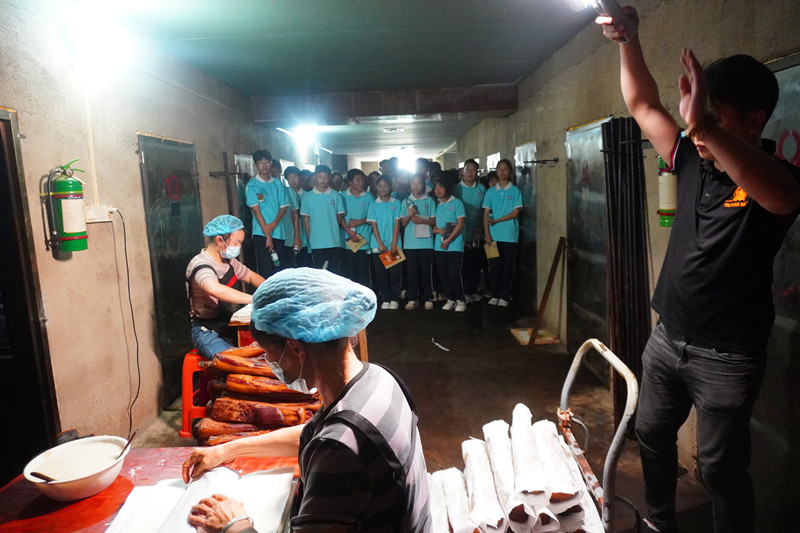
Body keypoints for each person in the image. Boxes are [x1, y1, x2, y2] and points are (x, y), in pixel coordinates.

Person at [601, 8, 800, 533]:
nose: (697, 131)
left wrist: (704, 125)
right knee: (651, 434)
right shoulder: (693, 157)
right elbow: (643, 104)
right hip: (668, 338)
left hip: (728, 356)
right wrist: (628, 38)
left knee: (720, 469)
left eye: (714, 118)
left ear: (755, 121)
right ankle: (659, 521)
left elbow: (782, 198)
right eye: (697, 119)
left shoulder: (774, 177)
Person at [183, 268, 430, 532]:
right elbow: (314, 433)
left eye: (268, 354)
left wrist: (234, 524)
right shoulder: (378, 378)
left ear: (295, 349)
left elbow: (334, 442)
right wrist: (227, 450)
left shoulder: (340, 448)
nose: (271, 363)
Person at [185, 215, 265, 359]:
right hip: (207, 331)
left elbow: (251, 276)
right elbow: (214, 289)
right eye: (236, 242)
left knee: (261, 352)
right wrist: (254, 299)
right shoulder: (201, 264)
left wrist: (270, 290)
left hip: (228, 326)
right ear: (219, 240)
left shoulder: (229, 262)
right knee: (234, 363)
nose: (238, 247)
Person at [482, 159, 522, 308]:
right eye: (499, 169)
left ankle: (505, 295)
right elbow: (486, 214)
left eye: (505, 169)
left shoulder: (515, 191)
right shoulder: (491, 192)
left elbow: (515, 213)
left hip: (510, 236)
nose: (502, 172)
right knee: (494, 267)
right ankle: (496, 293)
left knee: (507, 266)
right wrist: (487, 234)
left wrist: (497, 220)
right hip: (493, 236)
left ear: (510, 172)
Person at [246, 150, 289, 279]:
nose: (264, 165)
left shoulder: (277, 183)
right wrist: (268, 234)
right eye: (261, 162)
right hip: (261, 233)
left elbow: (283, 208)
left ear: (271, 163)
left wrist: (273, 224)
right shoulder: (252, 185)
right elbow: (256, 210)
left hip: (278, 232)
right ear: (256, 165)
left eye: (267, 162)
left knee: (280, 269)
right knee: (265, 270)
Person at [300, 165, 345, 274]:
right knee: (319, 272)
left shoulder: (336, 196)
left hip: (333, 241)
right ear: (315, 177)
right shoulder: (307, 197)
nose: (323, 180)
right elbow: (306, 220)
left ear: (329, 178)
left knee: (334, 272)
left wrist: (332, 229)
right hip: (316, 242)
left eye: (326, 177)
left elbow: (339, 216)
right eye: (320, 177)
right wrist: (310, 237)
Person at [400, 173, 436, 310]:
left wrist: (421, 221)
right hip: (410, 243)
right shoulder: (406, 201)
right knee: (411, 272)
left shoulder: (429, 200)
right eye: (413, 183)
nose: (416, 186)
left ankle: (427, 298)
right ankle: (412, 298)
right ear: (410, 184)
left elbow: (434, 220)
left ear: (424, 184)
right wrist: (410, 215)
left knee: (426, 271)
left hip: (426, 242)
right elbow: (403, 223)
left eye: (419, 183)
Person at [432, 175, 467, 312]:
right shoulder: (438, 205)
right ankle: (450, 299)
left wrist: (449, 240)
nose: (438, 190)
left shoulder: (457, 203)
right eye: (436, 187)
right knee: (443, 274)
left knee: (454, 273)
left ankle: (460, 300)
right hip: (439, 246)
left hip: (454, 245)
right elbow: (434, 227)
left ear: (447, 187)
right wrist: (437, 230)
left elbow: (460, 224)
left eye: (441, 186)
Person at [367, 176, 402, 309]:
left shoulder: (396, 203)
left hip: (393, 244)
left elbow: (397, 223)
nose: (383, 189)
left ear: (390, 187)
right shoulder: (373, 205)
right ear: (376, 187)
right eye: (380, 186)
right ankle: (385, 298)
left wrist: (394, 242)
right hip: (378, 245)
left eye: (385, 186)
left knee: (394, 273)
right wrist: (380, 243)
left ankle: (394, 298)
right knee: (381, 273)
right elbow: (374, 226)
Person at [455, 159, 487, 302]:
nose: (470, 173)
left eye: (473, 170)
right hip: (461, 233)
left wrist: (482, 228)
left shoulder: (481, 189)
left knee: (475, 263)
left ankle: (473, 290)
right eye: (467, 170)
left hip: (477, 233)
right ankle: (464, 292)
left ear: (477, 172)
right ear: (463, 171)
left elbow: (485, 210)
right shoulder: (456, 189)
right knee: (463, 264)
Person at [341, 169, 374, 288]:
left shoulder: (369, 197)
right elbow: (339, 217)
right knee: (349, 274)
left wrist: (359, 222)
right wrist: (348, 231)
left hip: (364, 241)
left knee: (363, 274)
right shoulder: (342, 196)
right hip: (347, 242)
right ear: (350, 182)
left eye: (362, 180)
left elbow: (373, 216)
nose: (361, 183)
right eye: (358, 180)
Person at [278, 166, 304, 268]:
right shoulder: (282, 191)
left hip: (296, 234)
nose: (293, 180)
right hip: (284, 234)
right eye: (290, 178)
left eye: (295, 177)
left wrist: (296, 237)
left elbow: (295, 214)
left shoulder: (305, 195)